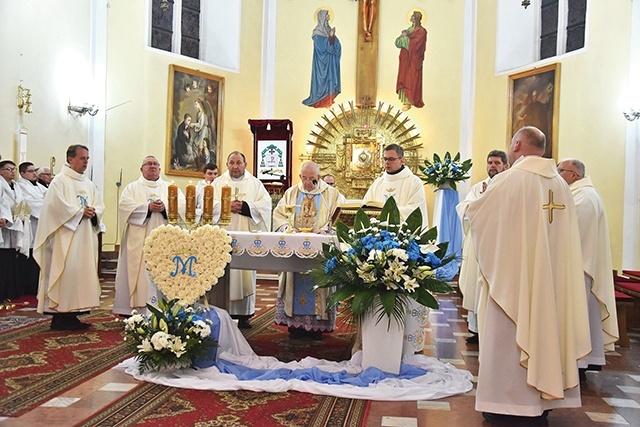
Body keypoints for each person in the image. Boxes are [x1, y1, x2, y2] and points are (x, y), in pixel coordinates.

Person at [465, 127, 590, 423]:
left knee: (509, 342)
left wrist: (472, 204)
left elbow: (479, 220)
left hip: (514, 283)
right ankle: (542, 401)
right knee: (547, 331)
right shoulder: (560, 185)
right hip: (551, 284)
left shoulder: (509, 180)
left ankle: (506, 405)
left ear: (517, 144)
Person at [363, 143, 429, 354]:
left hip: (403, 245)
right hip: (379, 246)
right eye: (384, 159)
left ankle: (406, 339)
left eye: (391, 159)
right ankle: (379, 337)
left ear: (402, 160)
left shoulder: (413, 182)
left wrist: (387, 210)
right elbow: (366, 206)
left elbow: (414, 210)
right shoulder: (378, 182)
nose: (387, 163)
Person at [557, 158, 618, 379]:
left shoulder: (584, 197)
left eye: (561, 170)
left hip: (581, 270)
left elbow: (570, 233)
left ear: (575, 174)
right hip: (581, 267)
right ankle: (583, 361)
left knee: (579, 317)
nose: (558, 174)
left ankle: (580, 362)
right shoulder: (581, 194)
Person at [34, 145, 105, 331]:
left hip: (85, 237)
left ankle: (73, 314)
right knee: (65, 272)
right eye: (82, 158)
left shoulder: (88, 184)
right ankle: (60, 317)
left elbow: (99, 205)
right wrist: (80, 212)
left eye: (87, 158)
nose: (86, 162)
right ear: (70, 159)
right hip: (65, 238)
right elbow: (55, 208)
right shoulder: (59, 181)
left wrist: (94, 212)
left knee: (79, 274)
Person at [272, 162, 345, 339]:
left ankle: (318, 326)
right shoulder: (292, 192)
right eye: (303, 178)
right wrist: (287, 229)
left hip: (319, 250)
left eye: (310, 179)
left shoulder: (332, 194)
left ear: (318, 178)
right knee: (294, 283)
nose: (306, 182)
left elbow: (341, 218)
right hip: (295, 249)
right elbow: (279, 215)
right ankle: (294, 326)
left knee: (318, 283)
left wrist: (326, 230)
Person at [113, 156, 185, 316]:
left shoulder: (170, 188)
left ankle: (166, 308)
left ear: (159, 168)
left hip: (166, 241)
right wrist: (148, 207)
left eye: (155, 164)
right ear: (141, 169)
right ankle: (135, 309)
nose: (152, 166)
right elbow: (124, 206)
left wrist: (165, 207)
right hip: (139, 242)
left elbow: (183, 205)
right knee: (138, 273)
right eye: (148, 164)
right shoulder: (131, 188)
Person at [213, 152, 272, 329]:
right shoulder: (217, 183)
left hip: (246, 235)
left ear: (245, 164)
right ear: (227, 164)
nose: (235, 166)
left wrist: (245, 207)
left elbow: (266, 204)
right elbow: (207, 204)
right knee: (225, 273)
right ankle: (223, 311)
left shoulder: (255, 183)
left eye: (239, 162)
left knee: (245, 271)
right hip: (223, 235)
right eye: (231, 162)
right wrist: (225, 206)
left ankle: (244, 315)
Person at [455, 150, 508, 344]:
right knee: (476, 287)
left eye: (497, 163)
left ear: (505, 166)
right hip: (477, 245)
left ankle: (495, 332)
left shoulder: (509, 187)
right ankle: (476, 329)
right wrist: (482, 200)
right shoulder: (478, 188)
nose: (492, 166)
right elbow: (464, 209)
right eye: (490, 163)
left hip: (499, 247)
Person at [16, 161, 47, 295]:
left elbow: (51, 198)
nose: (34, 173)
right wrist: (47, 206)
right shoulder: (20, 186)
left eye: (35, 170)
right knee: (30, 257)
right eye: (31, 171)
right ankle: (29, 287)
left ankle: (38, 285)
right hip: (31, 225)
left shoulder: (39, 186)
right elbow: (31, 203)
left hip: (42, 225)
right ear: (22, 173)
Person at [0, 160, 29, 301]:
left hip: (14, 224)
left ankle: (9, 292)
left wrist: (21, 217)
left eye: (14, 169)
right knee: (3, 259)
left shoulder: (16, 186)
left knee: (11, 258)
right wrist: (4, 217)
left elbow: (21, 203)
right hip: (3, 224)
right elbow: (2, 203)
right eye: (9, 169)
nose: (12, 171)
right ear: (1, 171)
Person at [302, 9, 342, 108]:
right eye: (327, 15)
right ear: (323, 17)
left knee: (330, 80)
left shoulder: (329, 30)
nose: (328, 16)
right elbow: (321, 48)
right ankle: (319, 102)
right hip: (321, 64)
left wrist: (332, 37)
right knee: (321, 82)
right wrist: (330, 38)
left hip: (330, 63)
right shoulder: (317, 32)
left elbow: (335, 45)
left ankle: (329, 100)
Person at [395, 10, 427, 111]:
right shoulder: (409, 29)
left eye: (413, 16)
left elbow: (417, 46)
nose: (411, 18)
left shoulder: (422, 31)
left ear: (417, 18)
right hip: (405, 60)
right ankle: (404, 100)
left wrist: (405, 38)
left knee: (410, 79)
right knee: (404, 78)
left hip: (413, 61)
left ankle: (410, 101)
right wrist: (403, 37)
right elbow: (397, 42)